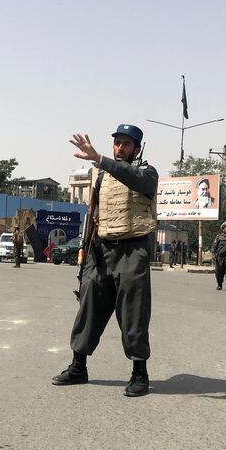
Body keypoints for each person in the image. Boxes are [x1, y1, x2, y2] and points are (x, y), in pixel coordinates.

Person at [52, 124, 158, 397]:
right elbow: (94, 213)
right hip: (101, 249)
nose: (120, 148)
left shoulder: (147, 173)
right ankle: (78, 366)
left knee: (133, 312)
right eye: (117, 143)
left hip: (133, 249)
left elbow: (137, 180)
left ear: (137, 148)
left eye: (126, 144)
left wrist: (100, 159)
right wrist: (86, 251)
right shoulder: (101, 175)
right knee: (89, 304)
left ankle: (139, 373)